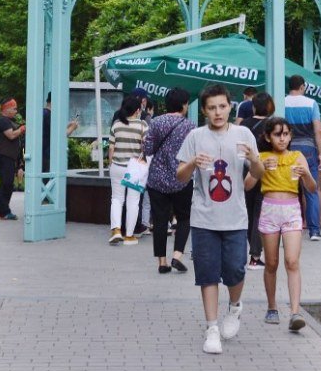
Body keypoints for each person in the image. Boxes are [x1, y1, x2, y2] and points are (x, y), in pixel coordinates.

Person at [175, 84, 263, 355]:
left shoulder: (244, 133)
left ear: (230, 106)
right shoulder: (195, 136)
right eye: (212, 108)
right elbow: (180, 175)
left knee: (236, 269)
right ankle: (211, 327)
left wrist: (252, 158)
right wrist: (192, 163)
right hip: (204, 218)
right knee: (207, 273)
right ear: (204, 110)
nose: (218, 112)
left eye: (222, 106)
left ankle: (235, 307)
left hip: (236, 218)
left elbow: (258, 173)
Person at [256, 115, 316, 332]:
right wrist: (259, 167)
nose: (282, 139)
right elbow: (247, 184)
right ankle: (272, 307)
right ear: (268, 137)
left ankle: (295, 312)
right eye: (277, 134)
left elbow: (312, 188)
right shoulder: (262, 156)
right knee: (271, 263)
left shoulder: (298, 156)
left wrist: (306, 173)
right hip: (269, 209)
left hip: (291, 210)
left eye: (286, 134)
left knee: (292, 261)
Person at [143, 87, 195, 275]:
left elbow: (147, 149)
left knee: (160, 219)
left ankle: (162, 262)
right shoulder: (190, 126)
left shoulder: (156, 122)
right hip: (182, 177)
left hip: (157, 179)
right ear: (183, 105)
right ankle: (177, 256)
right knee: (184, 218)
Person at [282, 75, 321, 240]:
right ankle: (314, 231)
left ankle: (288, 227)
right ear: (302, 87)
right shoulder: (311, 103)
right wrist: (320, 153)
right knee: (311, 190)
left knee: (288, 189)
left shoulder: (282, 102)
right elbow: (318, 130)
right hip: (308, 149)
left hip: (288, 149)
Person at [108, 93, 148, 246]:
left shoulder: (116, 124)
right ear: (138, 110)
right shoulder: (142, 125)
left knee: (117, 199)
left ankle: (116, 230)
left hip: (117, 166)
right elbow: (146, 146)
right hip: (134, 168)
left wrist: (111, 163)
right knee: (133, 201)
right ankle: (129, 236)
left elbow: (111, 147)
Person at [245, 92, 274, 268]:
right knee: (259, 213)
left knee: (249, 212)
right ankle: (255, 256)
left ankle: (251, 250)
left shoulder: (243, 125)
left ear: (254, 106)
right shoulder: (271, 125)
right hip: (265, 171)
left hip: (246, 171)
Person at [0, 99, 25, 220]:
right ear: (6, 109)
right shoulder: (2, 120)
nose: (16, 111)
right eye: (14, 108)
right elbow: (11, 135)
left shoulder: (8, 121)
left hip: (9, 156)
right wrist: (22, 129)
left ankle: (4, 210)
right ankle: (3, 211)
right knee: (6, 183)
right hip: (4, 156)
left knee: (8, 183)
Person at [40, 92, 79, 174]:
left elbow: (51, 131)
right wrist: (73, 127)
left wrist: (68, 125)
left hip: (42, 153)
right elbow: (59, 135)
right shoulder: (49, 115)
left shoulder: (43, 113)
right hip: (47, 155)